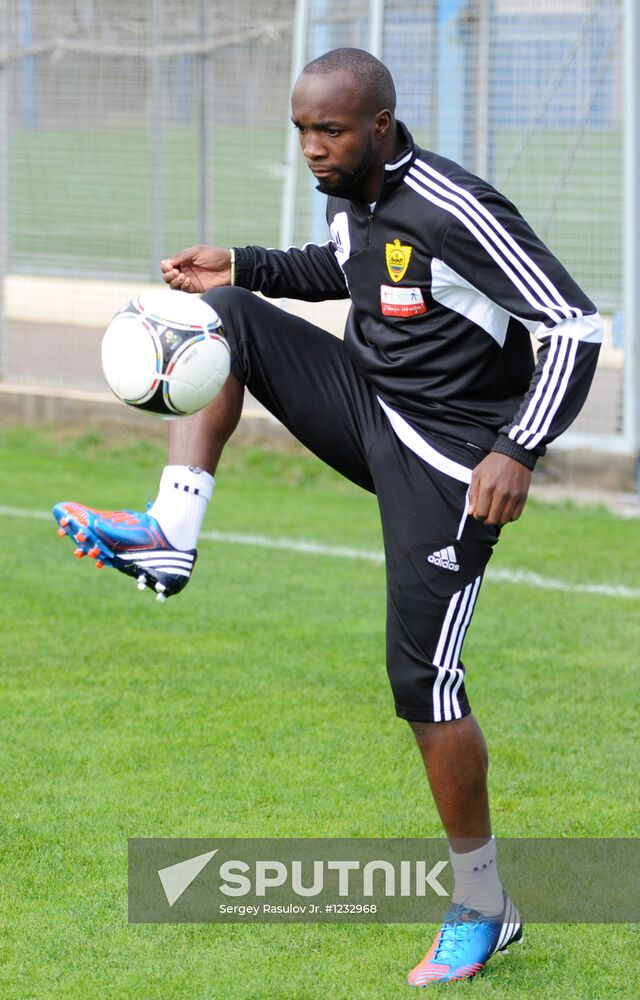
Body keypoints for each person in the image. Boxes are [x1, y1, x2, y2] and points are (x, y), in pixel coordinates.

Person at [54, 48, 602, 985]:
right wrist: (246, 264)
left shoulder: (455, 206)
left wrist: (518, 449)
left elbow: (574, 325)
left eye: (330, 131)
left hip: (450, 464)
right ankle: (169, 532)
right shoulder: (354, 191)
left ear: (380, 125)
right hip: (369, 406)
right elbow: (341, 271)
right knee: (224, 313)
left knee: (421, 683)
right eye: (303, 131)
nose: (312, 149)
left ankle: (484, 905)